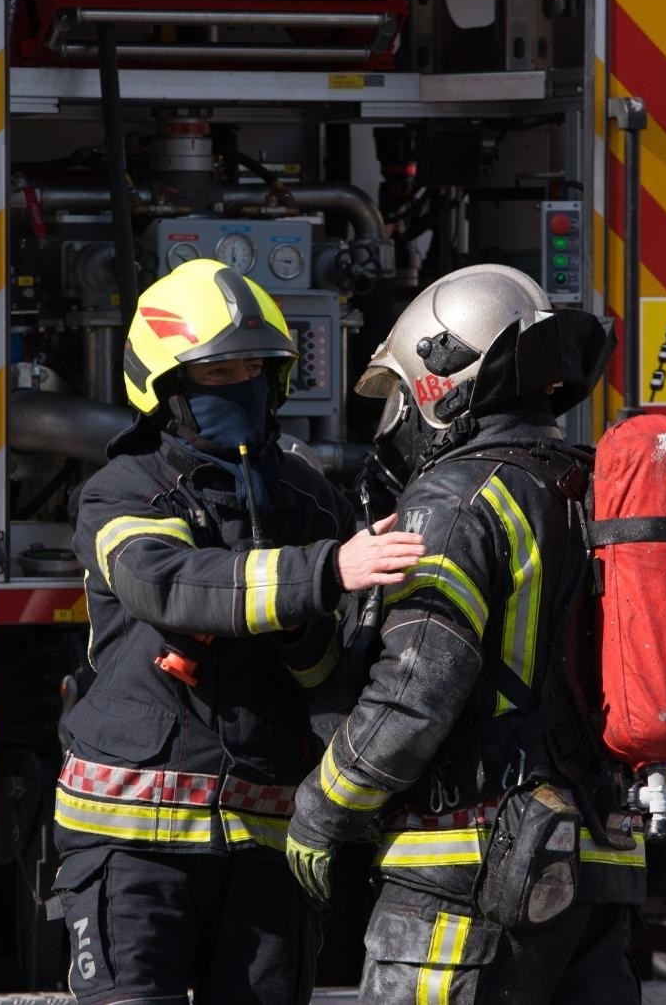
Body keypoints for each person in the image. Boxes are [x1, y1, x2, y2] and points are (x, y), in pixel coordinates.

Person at [52, 258, 425, 1005]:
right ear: (166, 386)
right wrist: (322, 573)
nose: (243, 384)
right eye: (219, 371)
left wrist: (307, 633)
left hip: (265, 845)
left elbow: (335, 678)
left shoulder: (306, 498)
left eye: (257, 367)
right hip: (132, 839)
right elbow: (168, 585)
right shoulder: (122, 490)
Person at [284, 264, 640, 1003]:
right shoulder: (593, 483)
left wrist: (322, 808)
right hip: (600, 863)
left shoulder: (453, 501)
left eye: (404, 399)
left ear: (439, 385)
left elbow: (416, 690)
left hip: (471, 870)